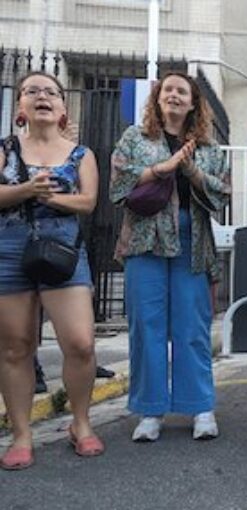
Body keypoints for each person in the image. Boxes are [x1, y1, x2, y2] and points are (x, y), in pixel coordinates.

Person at [111, 71, 230, 442]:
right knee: (146, 325)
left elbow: (220, 193)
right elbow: (118, 184)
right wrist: (158, 169)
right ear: (158, 98)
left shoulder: (208, 148)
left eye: (182, 91)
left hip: (191, 241)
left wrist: (189, 169)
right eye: (168, 90)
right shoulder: (135, 138)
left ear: (193, 102)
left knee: (192, 328)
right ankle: (150, 411)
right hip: (145, 240)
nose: (175, 95)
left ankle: (199, 407)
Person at [0, 71, 103, 470]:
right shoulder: (7, 149)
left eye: (51, 92)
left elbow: (89, 202)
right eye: (32, 91)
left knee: (80, 343)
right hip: (9, 251)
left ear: (63, 109)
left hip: (63, 251)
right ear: (21, 107)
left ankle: (81, 423)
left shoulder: (81, 154)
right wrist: (27, 191)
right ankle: (22, 434)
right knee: (15, 346)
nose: (42, 96)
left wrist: (53, 198)